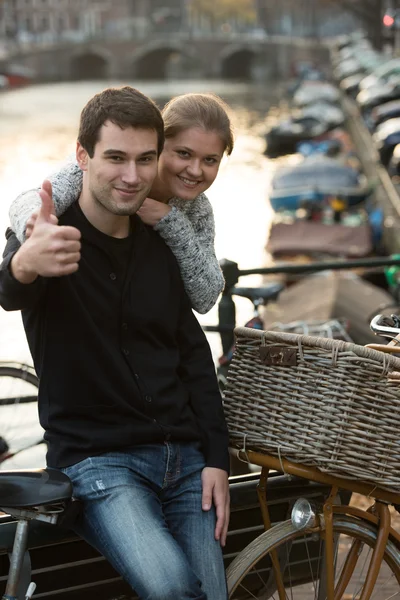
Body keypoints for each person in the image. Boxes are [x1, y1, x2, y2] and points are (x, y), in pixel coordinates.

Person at [0, 86, 230, 600]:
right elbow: (11, 289)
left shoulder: (163, 240)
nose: (132, 175)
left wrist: (216, 456)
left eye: (145, 159)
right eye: (116, 158)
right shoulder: (52, 236)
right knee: (173, 590)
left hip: (187, 459)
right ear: (82, 156)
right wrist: (22, 262)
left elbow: (193, 355)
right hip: (100, 463)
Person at [9, 92, 234, 314]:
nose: (195, 170)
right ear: (158, 146)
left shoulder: (198, 208)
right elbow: (33, 199)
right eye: (184, 154)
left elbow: (206, 298)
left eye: (210, 160)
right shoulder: (91, 173)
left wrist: (170, 221)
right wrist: (33, 225)